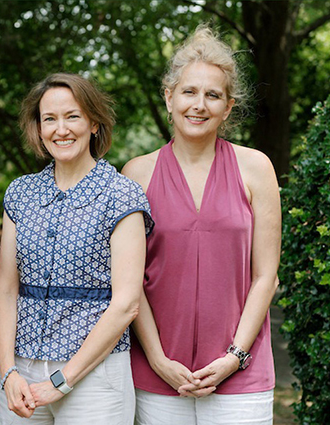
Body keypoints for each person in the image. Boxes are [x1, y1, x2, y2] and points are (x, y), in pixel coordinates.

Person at [122, 25, 281, 424]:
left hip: (241, 375)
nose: (199, 104)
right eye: (190, 92)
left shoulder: (256, 168)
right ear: (169, 96)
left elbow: (266, 276)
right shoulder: (136, 174)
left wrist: (234, 357)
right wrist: (158, 360)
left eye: (213, 95)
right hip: (157, 376)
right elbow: (130, 279)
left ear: (228, 107)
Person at [0, 73, 154, 423]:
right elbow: (7, 289)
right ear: (38, 128)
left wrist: (63, 381)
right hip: (21, 374)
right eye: (49, 119)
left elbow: (126, 303)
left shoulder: (121, 195)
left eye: (72, 116)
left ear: (94, 123)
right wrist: (8, 372)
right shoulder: (20, 194)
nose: (60, 129)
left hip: (94, 378)